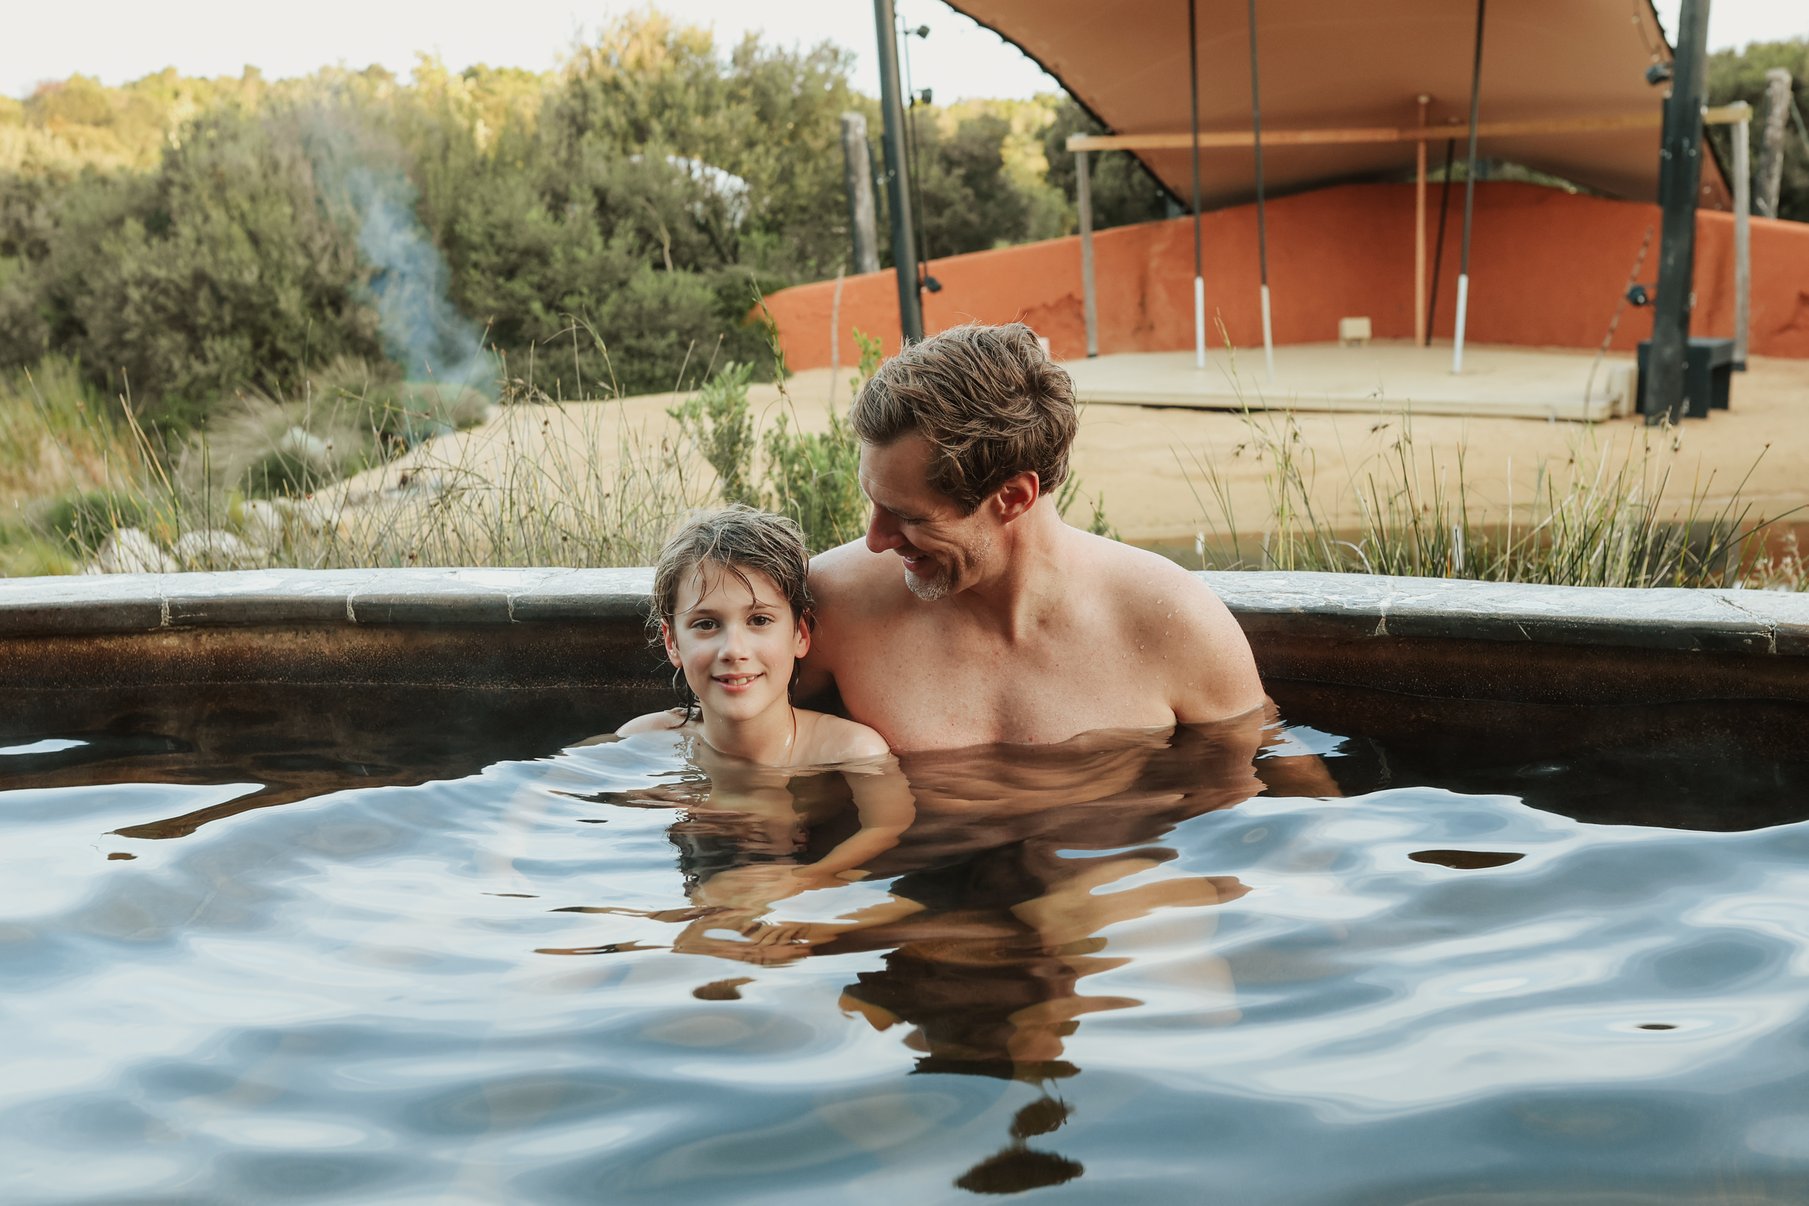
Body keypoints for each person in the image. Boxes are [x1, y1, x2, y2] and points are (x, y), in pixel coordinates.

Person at [805, 322, 1266, 752]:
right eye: (873, 500)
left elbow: (1262, 785)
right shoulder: (832, 607)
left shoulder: (1177, 623)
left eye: (910, 517)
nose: (876, 540)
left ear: (1013, 497)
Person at [618, 506, 913, 911]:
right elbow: (554, 799)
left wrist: (804, 881)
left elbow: (888, 826)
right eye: (706, 624)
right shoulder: (645, 740)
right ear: (673, 643)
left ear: (800, 634)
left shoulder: (850, 749)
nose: (734, 650)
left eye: (759, 620)